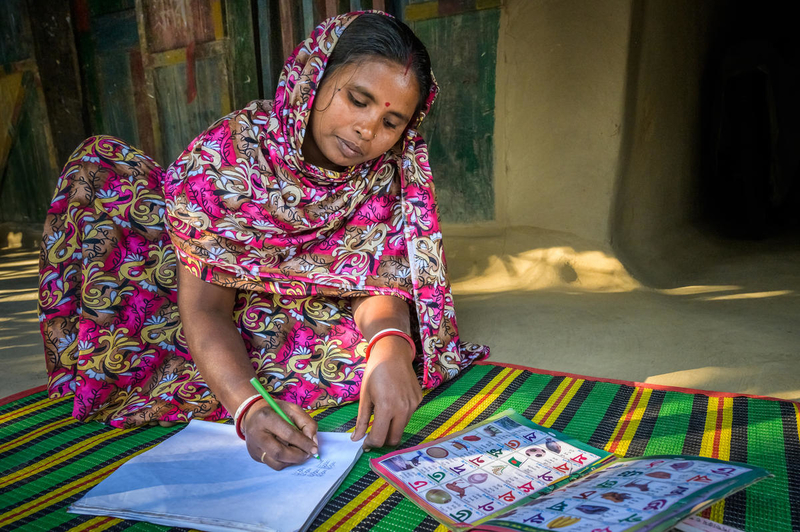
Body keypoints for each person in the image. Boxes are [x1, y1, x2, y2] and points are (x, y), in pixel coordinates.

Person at [38, 11, 489, 470]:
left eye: (392, 121)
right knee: (132, 346)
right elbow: (205, 308)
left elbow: (374, 282)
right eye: (358, 99)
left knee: (370, 357)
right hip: (183, 285)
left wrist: (391, 345)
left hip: (288, 294)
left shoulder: (382, 174)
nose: (369, 129)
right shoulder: (229, 157)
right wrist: (248, 408)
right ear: (313, 80)